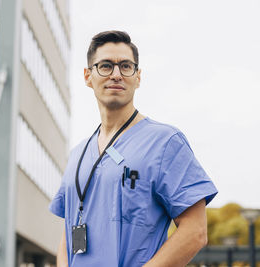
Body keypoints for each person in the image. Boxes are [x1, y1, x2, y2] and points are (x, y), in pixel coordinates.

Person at [49, 30, 218, 267]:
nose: (116, 74)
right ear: (88, 76)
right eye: (106, 66)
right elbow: (68, 233)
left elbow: (195, 231)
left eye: (126, 66)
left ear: (137, 77)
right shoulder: (78, 154)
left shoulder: (165, 142)